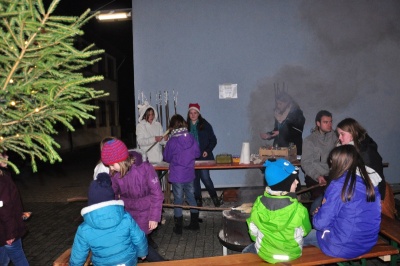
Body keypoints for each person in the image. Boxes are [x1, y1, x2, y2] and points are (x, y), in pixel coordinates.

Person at [303, 145, 381, 259]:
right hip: (367, 243)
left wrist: (318, 213)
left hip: (344, 246)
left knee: (302, 236)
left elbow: (320, 224)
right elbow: (353, 211)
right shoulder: (371, 182)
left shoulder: (338, 184)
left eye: (332, 163)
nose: (331, 167)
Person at [101, 139, 166, 262]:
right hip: (128, 213)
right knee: (135, 242)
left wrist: (154, 216)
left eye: (112, 164)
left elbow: (157, 193)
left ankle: (162, 263)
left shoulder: (145, 168)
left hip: (146, 211)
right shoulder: (115, 174)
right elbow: (113, 194)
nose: (110, 168)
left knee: (136, 241)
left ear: (121, 160)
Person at [70, 172, 148, 266]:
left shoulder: (84, 229)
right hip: (128, 261)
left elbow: (78, 254)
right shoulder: (125, 217)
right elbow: (139, 237)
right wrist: (142, 253)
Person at [243, 158, 311, 264]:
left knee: (245, 251)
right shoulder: (299, 210)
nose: (297, 182)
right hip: (292, 254)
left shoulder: (258, 204)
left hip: (265, 253)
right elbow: (305, 231)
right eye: (293, 181)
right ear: (285, 185)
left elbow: (253, 231)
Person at [336, 117, 396, 218]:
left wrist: (380, 198)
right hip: (352, 194)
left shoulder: (366, 152)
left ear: (352, 133)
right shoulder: (345, 150)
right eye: (339, 134)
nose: (339, 138)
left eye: (342, 134)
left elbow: (378, 177)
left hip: (368, 196)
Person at [163, 114, 201, 234]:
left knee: (178, 200)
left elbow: (166, 157)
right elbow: (197, 153)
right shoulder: (191, 137)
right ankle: (194, 224)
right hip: (189, 173)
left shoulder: (172, 141)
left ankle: (178, 228)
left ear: (172, 126)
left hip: (177, 175)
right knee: (191, 197)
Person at [186, 103, 221, 207]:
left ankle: (215, 198)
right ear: (188, 114)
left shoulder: (205, 125)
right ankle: (198, 200)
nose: (193, 115)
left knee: (205, 178)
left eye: (195, 113)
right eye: (191, 113)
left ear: (198, 114)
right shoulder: (185, 126)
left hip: (203, 156)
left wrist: (207, 150)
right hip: (190, 157)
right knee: (194, 179)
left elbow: (213, 140)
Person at [0, 152, 29, 266]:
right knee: (19, 259)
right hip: (7, 231)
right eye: (3, 155)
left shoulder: (4, 175)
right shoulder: (1, 181)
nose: (7, 157)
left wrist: (19, 213)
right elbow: (4, 208)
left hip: (4, 231)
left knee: (3, 260)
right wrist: (10, 233)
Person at [301, 110, 337, 201]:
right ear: (318, 123)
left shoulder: (336, 138)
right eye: (325, 122)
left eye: (330, 122)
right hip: (315, 176)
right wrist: (317, 176)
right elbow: (306, 163)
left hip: (332, 175)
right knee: (319, 198)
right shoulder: (309, 141)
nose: (329, 124)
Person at [260, 90, 305, 156]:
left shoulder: (297, 113)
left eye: (280, 104)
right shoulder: (278, 114)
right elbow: (276, 130)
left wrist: (281, 132)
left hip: (292, 150)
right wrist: (269, 135)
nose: (278, 106)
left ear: (287, 103)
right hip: (279, 149)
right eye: (277, 103)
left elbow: (298, 131)